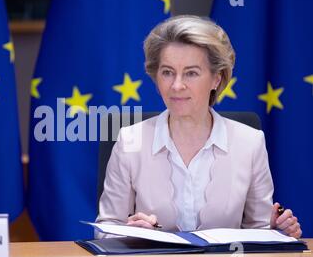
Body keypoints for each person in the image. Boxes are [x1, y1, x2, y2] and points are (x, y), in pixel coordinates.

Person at [95, 15, 302, 238]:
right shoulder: (129, 140)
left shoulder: (250, 142)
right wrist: (129, 233)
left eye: (191, 73)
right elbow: (106, 230)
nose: (176, 85)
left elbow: (258, 230)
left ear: (216, 79)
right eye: (167, 72)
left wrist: (276, 231)